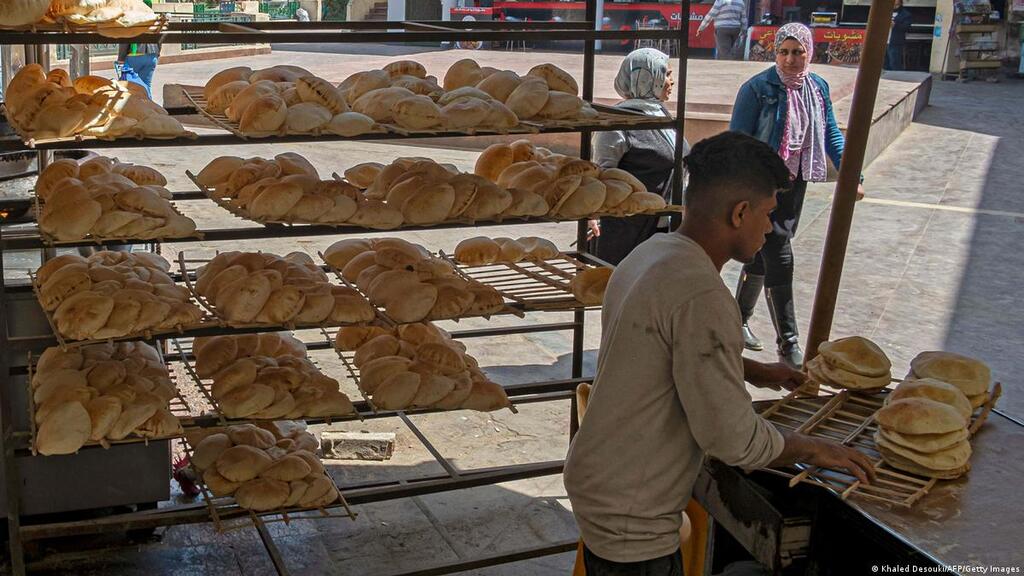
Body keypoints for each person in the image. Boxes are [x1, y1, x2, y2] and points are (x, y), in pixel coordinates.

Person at [564, 131, 875, 576]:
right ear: (740, 213)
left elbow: (655, 346)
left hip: (600, 474)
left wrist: (751, 369)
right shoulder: (703, 295)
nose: (770, 227)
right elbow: (732, 439)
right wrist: (816, 449)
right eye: (767, 214)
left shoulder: (652, 253)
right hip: (632, 509)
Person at [729, 22, 863, 368]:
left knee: (763, 253)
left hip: (795, 182)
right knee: (780, 252)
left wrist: (852, 176)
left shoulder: (817, 87)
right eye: (783, 52)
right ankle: (788, 343)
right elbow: (737, 142)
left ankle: (736, 320)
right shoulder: (758, 88)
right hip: (762, 185)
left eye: (798, 52)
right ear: (775, 53)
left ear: (809, 52)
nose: (790, 59)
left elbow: (832, 134)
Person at [589, 48, 689, 266]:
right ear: (647, 77)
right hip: (627, 234)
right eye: (666, 74)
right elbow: (600, 173)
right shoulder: (619, 123)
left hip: (663, 228)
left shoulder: (661, 115)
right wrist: (593, 215)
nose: (671, 81)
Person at [116, 0, 160, 99]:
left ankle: (132, 109)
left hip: (134, 56)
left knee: (128, 86)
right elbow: (159, 39)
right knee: (147, 85)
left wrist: (121, 59)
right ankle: (150, 107)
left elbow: (125, 39)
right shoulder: (154, 19)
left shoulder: (131, 19)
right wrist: (157, 54)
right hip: (152, 56)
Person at [884, 0, 913, 71]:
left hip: (895, 43)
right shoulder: (885, 12)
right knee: (884, 64)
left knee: (894, 63)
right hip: (884, 42)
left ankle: (897, 78)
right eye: (893, 5)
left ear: (901, 4)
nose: (895, 6)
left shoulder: (906, 14)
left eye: (897, 5)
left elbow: (907, 27)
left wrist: (895, 25)